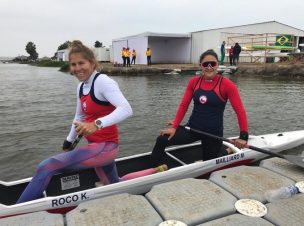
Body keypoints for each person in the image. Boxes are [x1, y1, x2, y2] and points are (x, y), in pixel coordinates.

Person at [17, 40, 166, 204]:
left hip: (106, 148)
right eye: (73, 64)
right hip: (95, 147)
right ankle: (156, 171)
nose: (77, 68)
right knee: (115, 183)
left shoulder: (103, 82)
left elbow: (126, 109)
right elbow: (79, 117)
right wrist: (68, 141)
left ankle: (16, 213)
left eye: (81, 63)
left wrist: (97, 124)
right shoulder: (81, 86)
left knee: (47, 166)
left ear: (92, 62)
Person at [150, 49, 248, 167]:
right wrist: (175, 125)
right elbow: (184, 105)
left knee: (209, 162)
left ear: (218, 65)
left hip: (213, 133)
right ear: (201, 66)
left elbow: (240, 111)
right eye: (206, 64)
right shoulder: (194, 82)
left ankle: (227, 151)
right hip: (193, 129)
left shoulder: (227, 85)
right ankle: (152, 169)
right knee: (162, 139)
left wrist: (243, 137)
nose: (209, 67)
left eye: (213, 64)